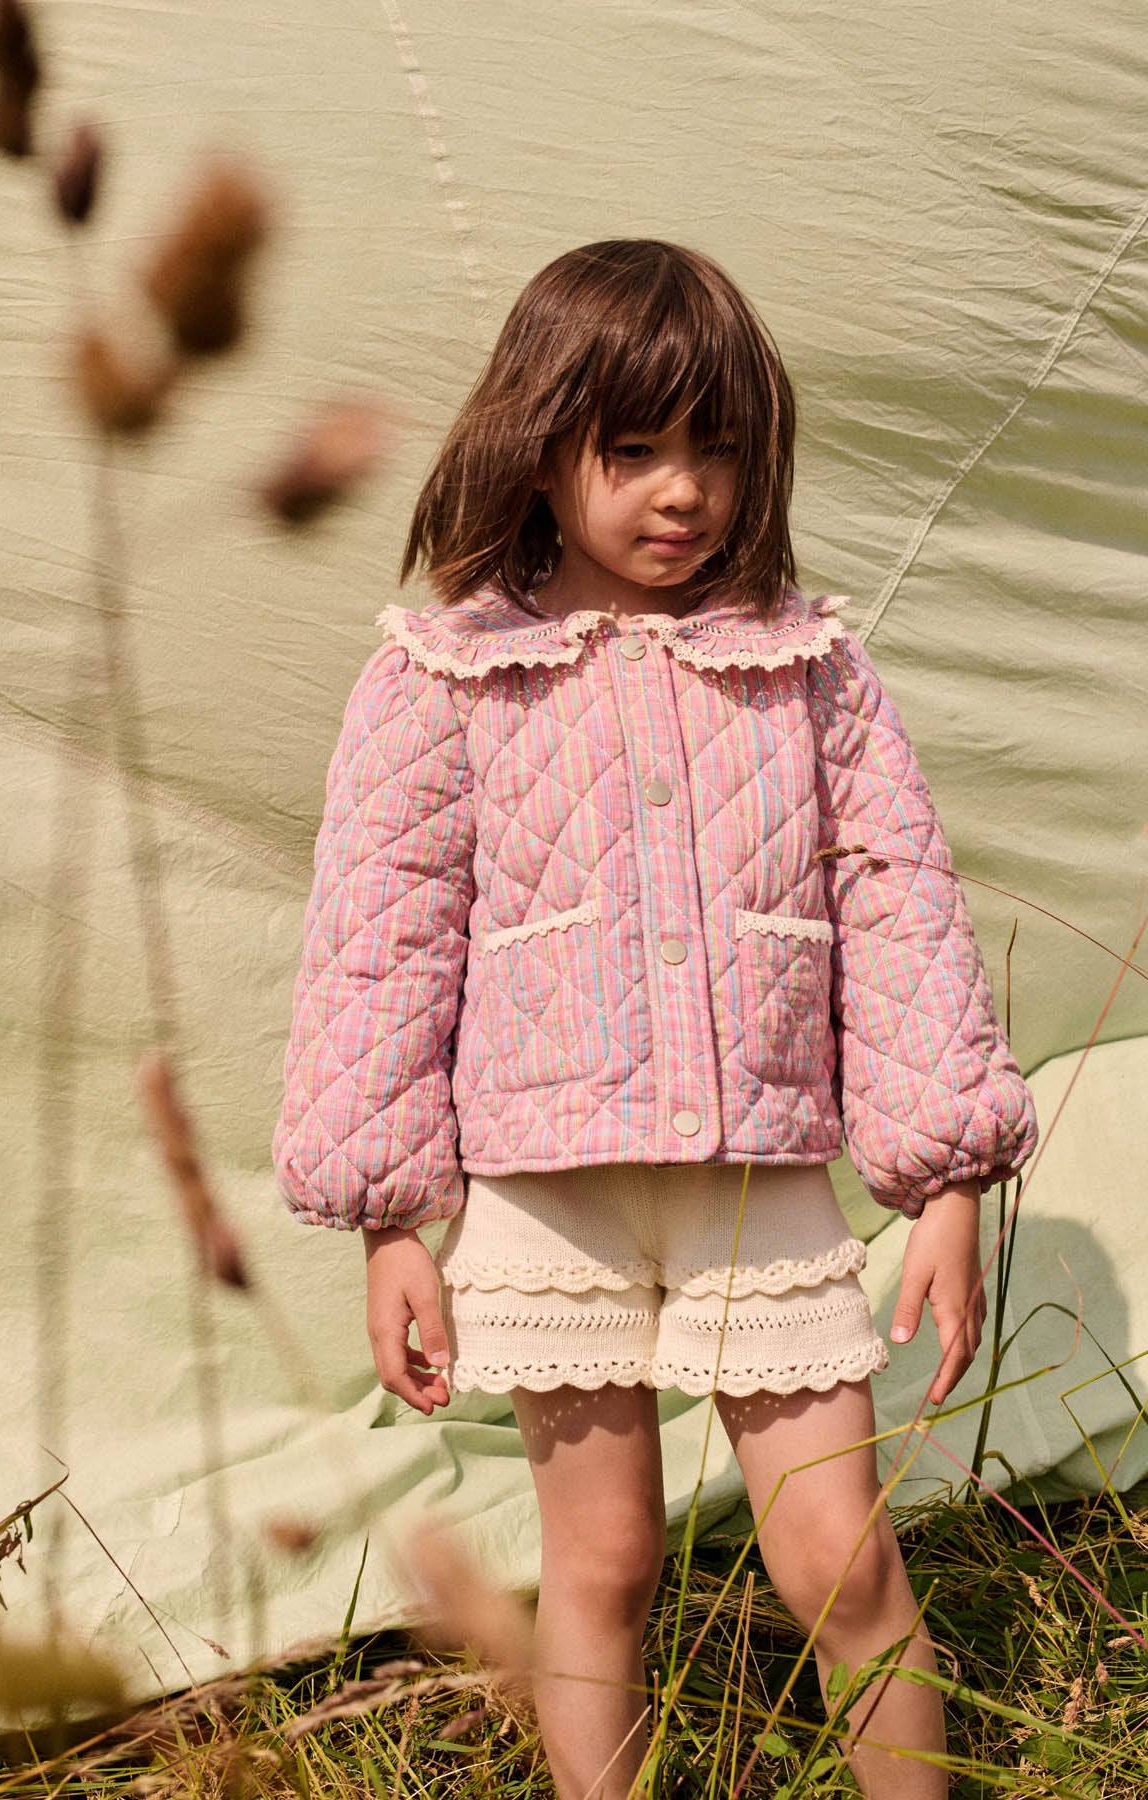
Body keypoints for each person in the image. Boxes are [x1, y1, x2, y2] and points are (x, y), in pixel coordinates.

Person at [274, 239, 1038, 1799]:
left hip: (760, 1192)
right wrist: (390, 1224)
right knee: (605, 1561)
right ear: (538, 449)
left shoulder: (810, 670)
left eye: (718, 448)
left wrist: (948, 1178)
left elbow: (899, 909)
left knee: (841, 1559)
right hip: (545, 1203)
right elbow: (378, 945)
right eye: (631, 450)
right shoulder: (446, 676)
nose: (682, 490)